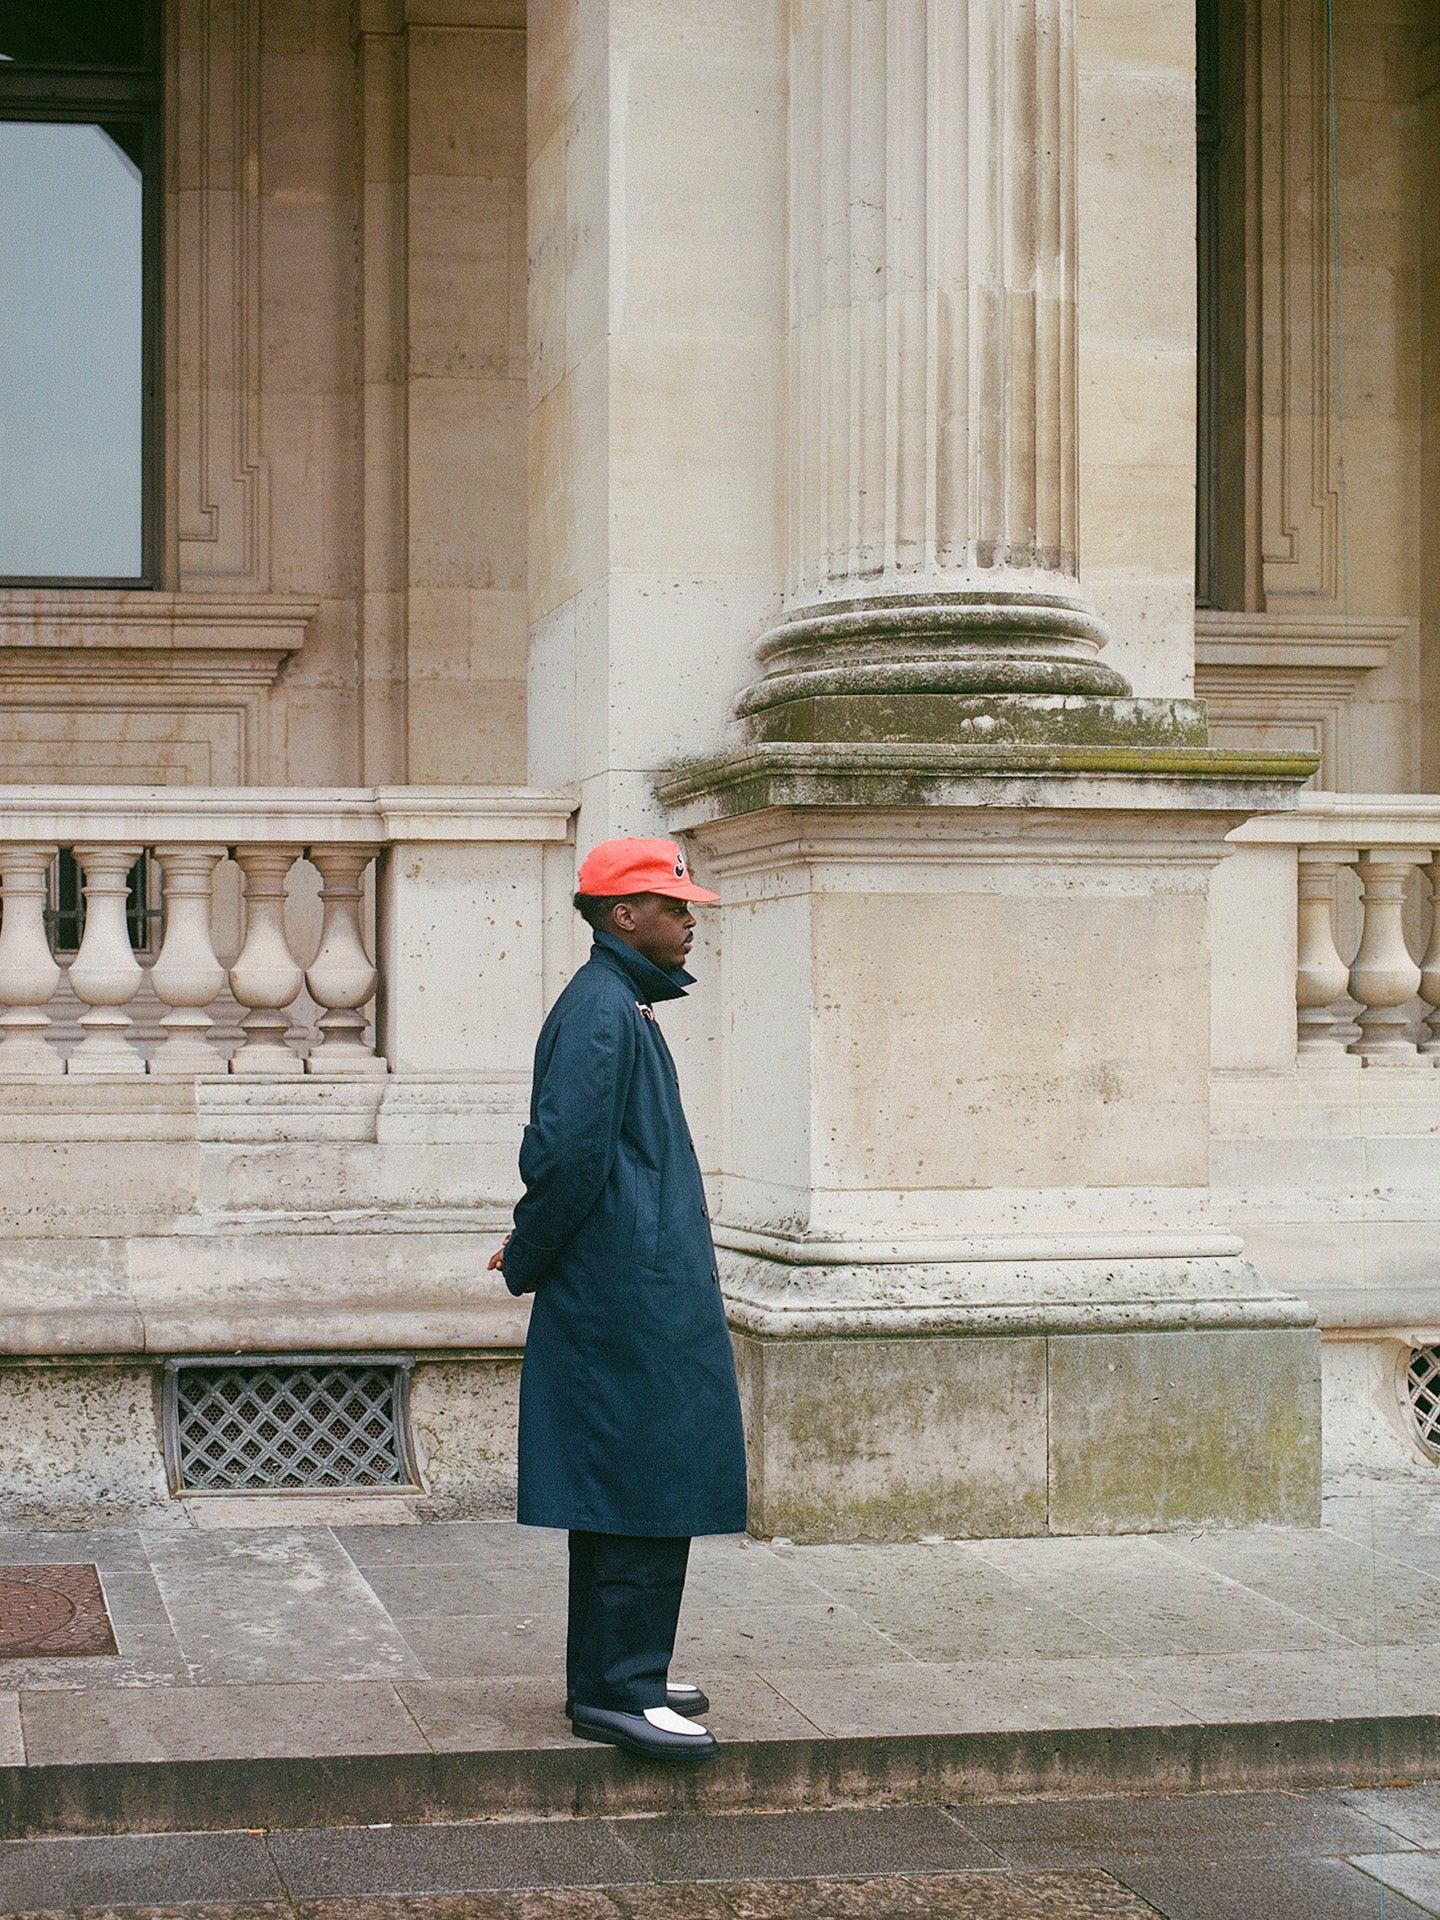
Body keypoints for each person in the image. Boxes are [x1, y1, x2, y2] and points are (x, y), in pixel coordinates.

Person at [487, 835, 747, 1762]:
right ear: (623, 915)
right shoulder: (605, 1008)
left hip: (632, 1285)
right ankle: (615, 1690)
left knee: (639, 1480)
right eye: (675, 906)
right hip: (625, 1294)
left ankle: (621, 1669)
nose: (689, 921)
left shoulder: (616, 1000)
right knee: (638, 1481)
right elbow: (565, 1157)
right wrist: (527, 1252)